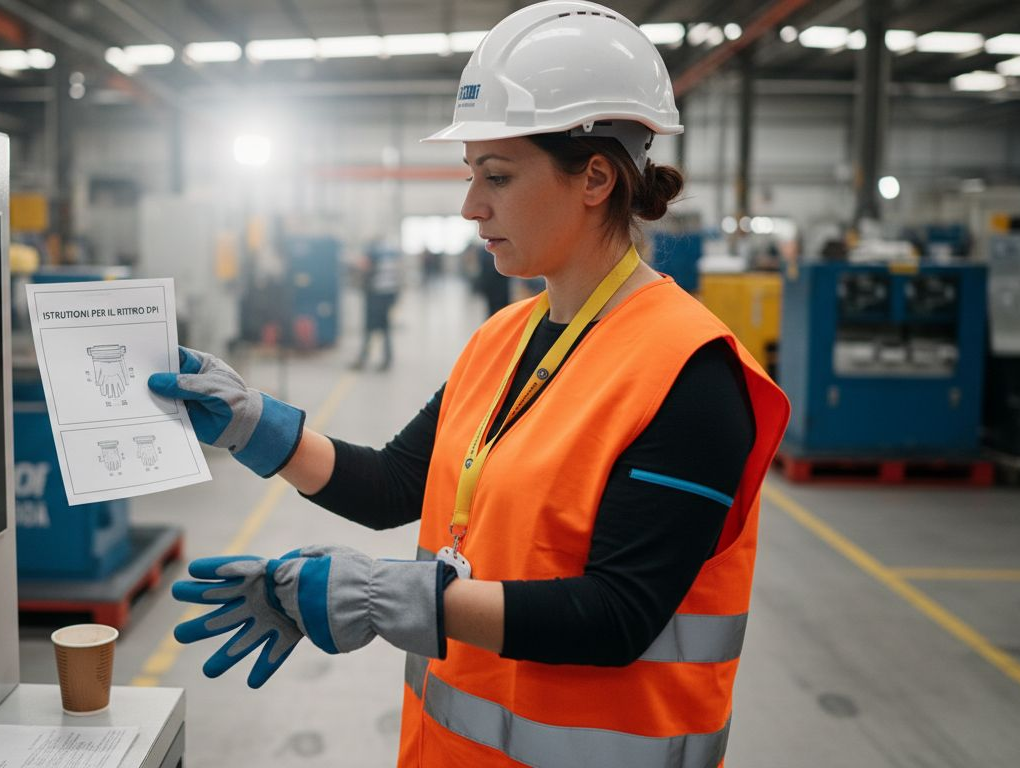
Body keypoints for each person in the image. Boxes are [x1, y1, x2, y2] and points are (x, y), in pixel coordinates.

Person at [148, 3, 790, 766]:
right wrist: (258, 428)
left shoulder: (690, 373)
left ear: (593, 177)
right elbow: (394, 485)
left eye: (497, 176)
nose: (470, 206)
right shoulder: (500, 341)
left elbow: (616, 616)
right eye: (470, 175)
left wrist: (385, 597)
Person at [351, 238, 402, 370]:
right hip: (389, 295)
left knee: (369, 329)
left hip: (375, 296)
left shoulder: (373, 252)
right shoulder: (391, 252)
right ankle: (387, 359)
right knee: (385, 328)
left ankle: (363, 358)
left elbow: (364, 267)